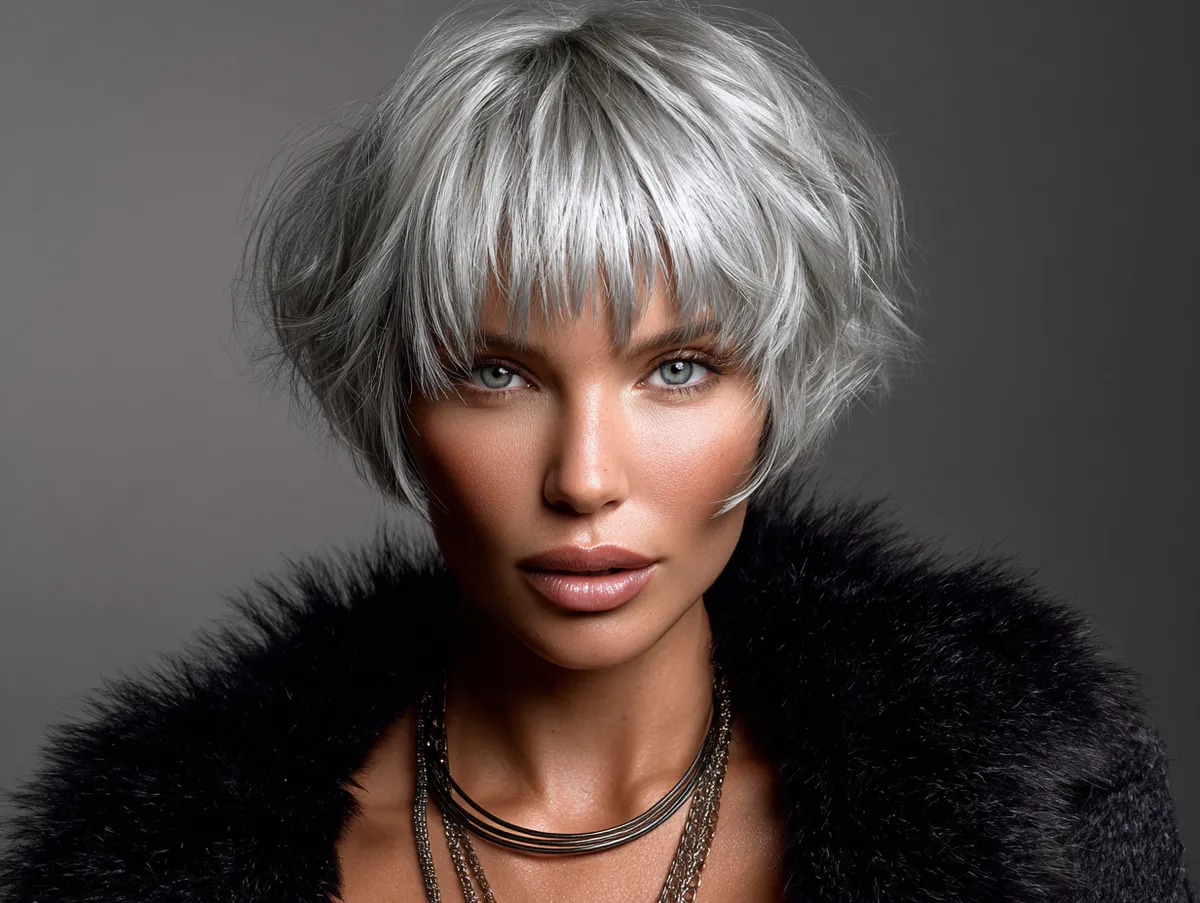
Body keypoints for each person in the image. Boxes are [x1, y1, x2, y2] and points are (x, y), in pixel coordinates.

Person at [1, 1, 1192, 900]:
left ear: (773, 393)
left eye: (678, 370)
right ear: (397, 397)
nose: (583, 477)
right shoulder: (147, 862)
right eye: (497, 373)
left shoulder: (1040, 797)